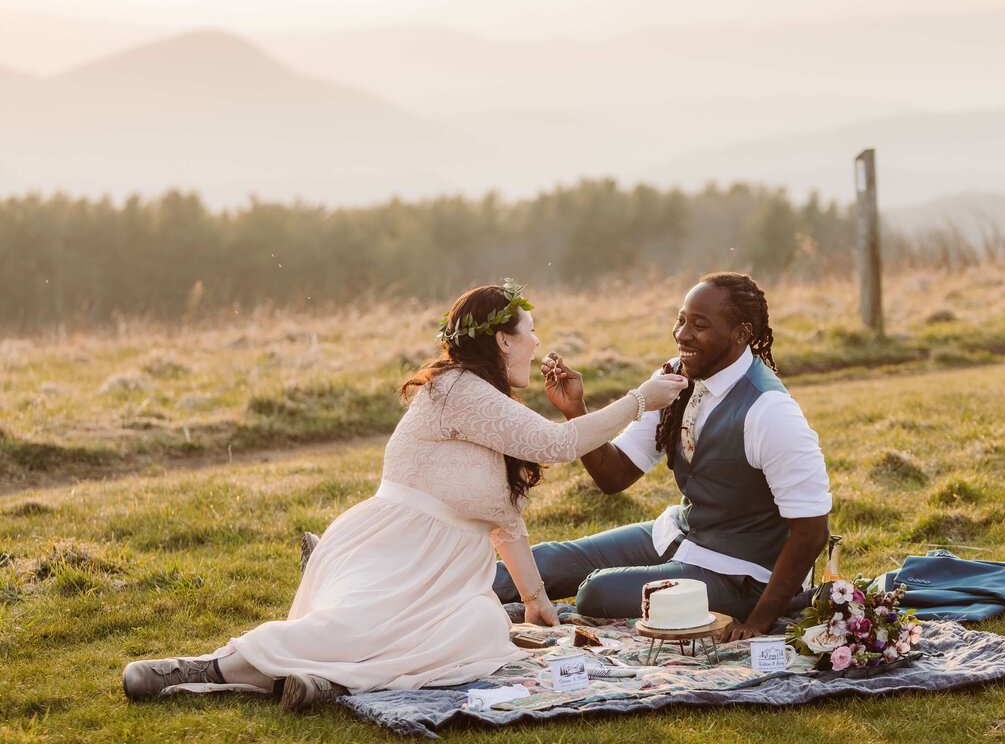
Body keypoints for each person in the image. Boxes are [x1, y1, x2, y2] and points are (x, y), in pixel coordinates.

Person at [122, 281, 686, 709]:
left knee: (484, 628)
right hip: (395, 549)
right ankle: (200, 668)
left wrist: (536, 601)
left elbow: (503, 522)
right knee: (354, 628)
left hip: (444, 570)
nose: (538, 343)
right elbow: (558, 443)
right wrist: (642, 397)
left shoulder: (491, 408)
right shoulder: (456, 390)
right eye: (529, 332)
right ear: (501, 340)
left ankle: (323, 683)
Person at [494, 272, 831, 642]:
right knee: (545, 561)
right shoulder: (674, 377)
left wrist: (759, 621)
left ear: (740, 333)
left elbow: (812, 531)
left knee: (597, 592)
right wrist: (578, 411)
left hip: (740, 574)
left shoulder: (770, 411)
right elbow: (615, 475)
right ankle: (431, 597)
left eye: (699, 325)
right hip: (677, 533)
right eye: (681, 319)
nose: (682, 334)